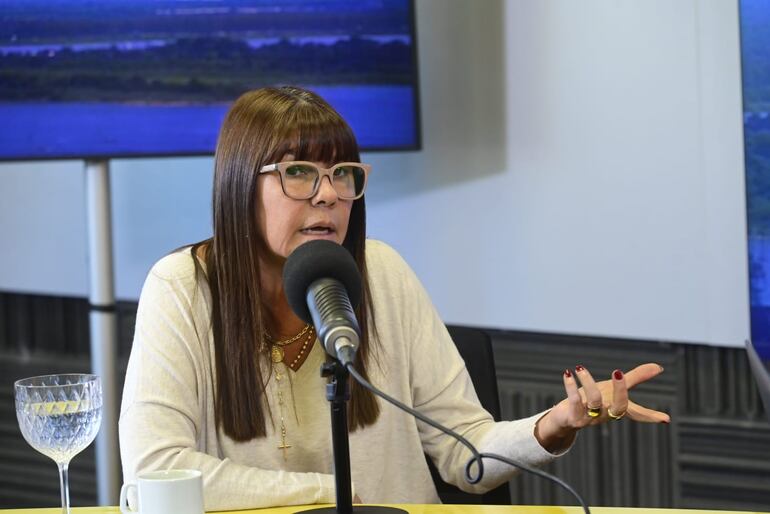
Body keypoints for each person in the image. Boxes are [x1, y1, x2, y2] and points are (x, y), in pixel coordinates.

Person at [119, 86, 669, 510]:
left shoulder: (381, 272)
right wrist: (328, 494)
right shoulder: (181, 288)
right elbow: (154, 473)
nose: (328, 194)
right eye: (299, 173)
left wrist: (553, 424)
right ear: (240, 185)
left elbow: (464, 449)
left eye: (343, 175)